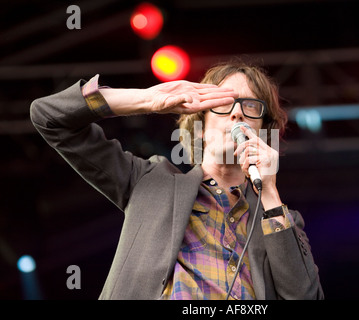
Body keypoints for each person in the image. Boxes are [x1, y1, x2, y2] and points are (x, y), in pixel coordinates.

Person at [30, 60, 324, 300]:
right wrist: (147, 99)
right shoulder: (149, 181)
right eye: (223, 102)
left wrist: (270, 193)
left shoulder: (279, 221)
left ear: (263, 132)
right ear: (199, 126)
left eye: (250, 106)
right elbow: (49, 117)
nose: (237, 113)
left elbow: (305, 296)